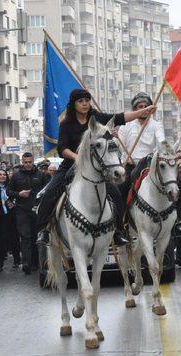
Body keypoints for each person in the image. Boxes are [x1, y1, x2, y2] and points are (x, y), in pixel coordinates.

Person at [36, 88, 157, 246]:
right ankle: (43, 230)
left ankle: (118, 232)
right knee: (51, 192)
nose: (85, 104)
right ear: (73, 104)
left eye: (87, 100)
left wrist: (145, 111)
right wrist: (77, 157)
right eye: (81, 101)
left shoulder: (97, 118)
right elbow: (62, 148)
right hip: (72, 165)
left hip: (97, 169)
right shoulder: (66, 123)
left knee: (116, 195)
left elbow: (120, 117)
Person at [9, 154, 50, 274]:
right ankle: (26, 262)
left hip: (37, 210)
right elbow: (8, 191)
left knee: (37, 236)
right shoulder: (16, 176)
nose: (28, 164)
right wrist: (19, 194)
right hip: (22, 210)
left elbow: (48, 190)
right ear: (22, 162)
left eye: (30, 162)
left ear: (33, 162)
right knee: (25, 236)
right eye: (25, 162)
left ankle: (38, 263)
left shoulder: (41, 175)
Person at [0, 169, 17, 271]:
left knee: (12, 237)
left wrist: (12, 202)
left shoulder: (10, 186)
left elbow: (14, 196)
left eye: (4, 174)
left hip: (10, 214)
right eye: (0, 174)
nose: (2, 176)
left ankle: (15, 259)